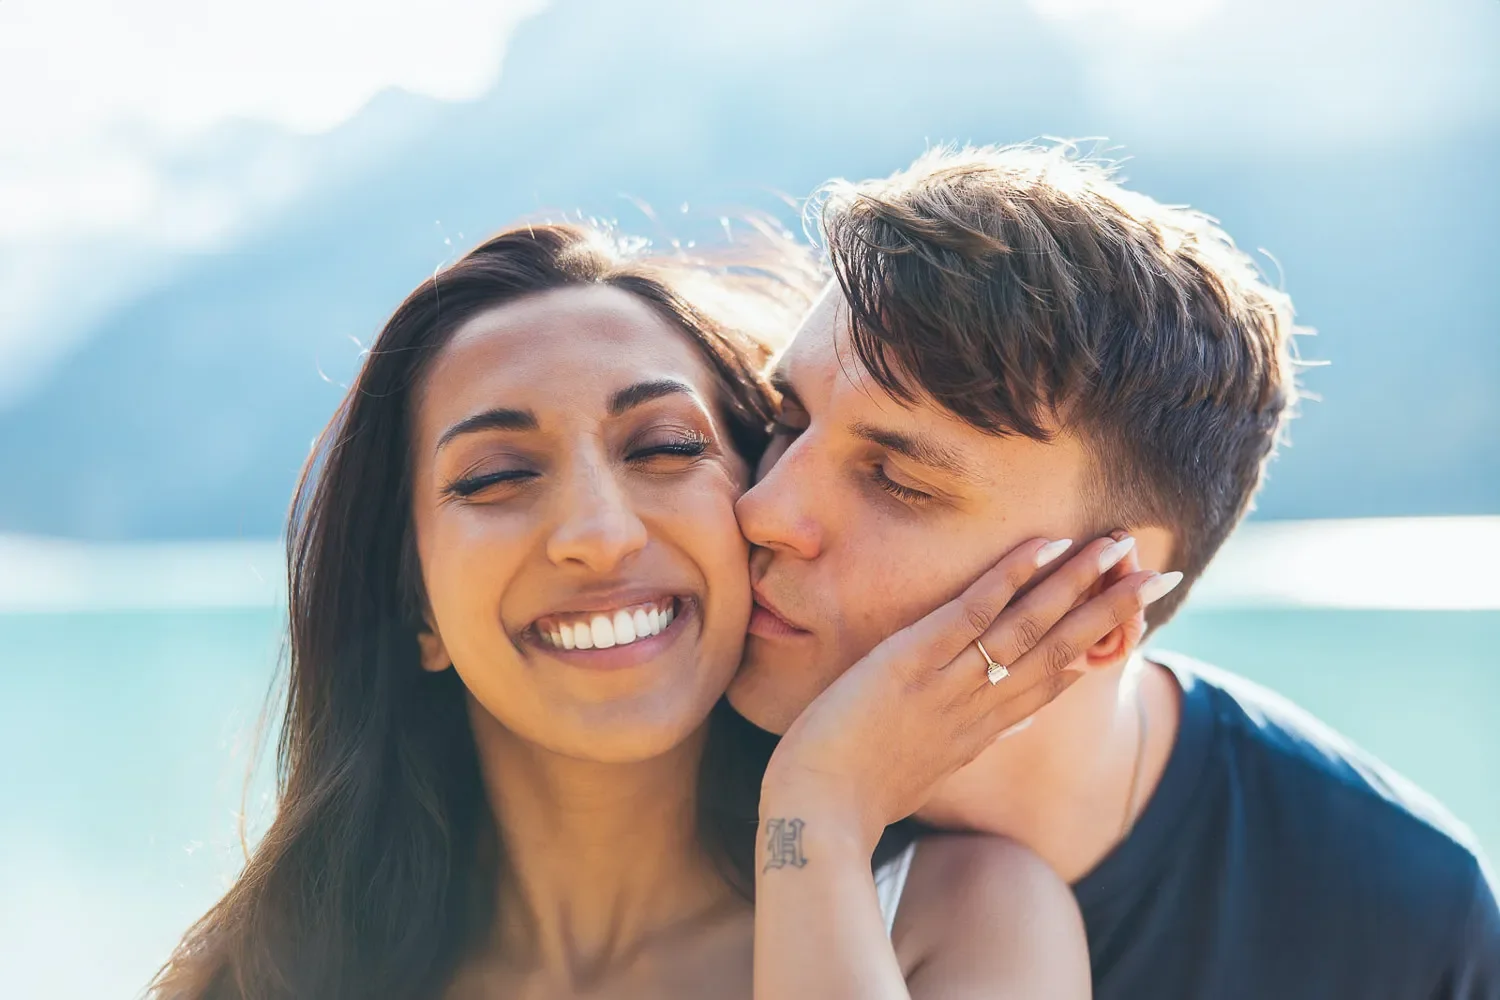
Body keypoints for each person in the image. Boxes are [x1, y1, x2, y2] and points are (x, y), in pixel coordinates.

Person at [149, 221, 1163, 999]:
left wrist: (818, 811)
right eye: (498, 474)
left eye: (665, 449)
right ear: (415, 607)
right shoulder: (262, 972)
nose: (598, 530)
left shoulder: (961, 920)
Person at [729, 143, 1500, 999]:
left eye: (899, 480)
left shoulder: (1398, 918)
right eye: (785, 419)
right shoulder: (641, 782)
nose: (762, 510)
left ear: (1105, 596)